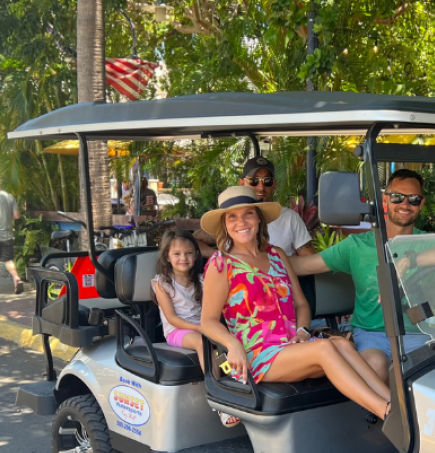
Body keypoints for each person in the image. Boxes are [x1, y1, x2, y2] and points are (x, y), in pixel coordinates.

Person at [200, 186, 391, 421]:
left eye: (248, 213)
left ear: (259, 219)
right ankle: (387, 413)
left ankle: (396, 406)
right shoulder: (222, 264)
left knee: (342, 345)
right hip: (257, 354)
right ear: (225, 225)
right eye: (232, 217)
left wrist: (302, 330)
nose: (241, 222)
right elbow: (208, 321)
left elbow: (301, 304)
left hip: (292, 345)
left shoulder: (277, 255)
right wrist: (232, 344)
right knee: (324, 347)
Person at [290, 168, 435, 382]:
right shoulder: (358, 245)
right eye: (397, 197)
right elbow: (303, 266)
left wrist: (410, 260)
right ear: (385, 200)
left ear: (421, 204)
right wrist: (254, 258)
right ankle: (386, 414)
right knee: (375, 366)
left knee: (421, 375)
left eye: (413, 199)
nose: (405, 204)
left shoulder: (429, 243)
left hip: (419, 333)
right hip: (372, 334)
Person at [197, 156, 317, 258]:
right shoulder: (230, 223)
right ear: (242, 183)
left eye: (267, 181)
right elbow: (190, 241)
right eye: (254, 181)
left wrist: (278, 266)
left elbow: (309, 259)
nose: (261, 187)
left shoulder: (289, 218)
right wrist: (224, 258)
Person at [152, 230, 206, 367]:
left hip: (202, 327)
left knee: (224, 342)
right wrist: (199, 328)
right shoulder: (162, 283)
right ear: (167, 257)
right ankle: (214, 383)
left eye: (188, 253)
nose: (183, 258)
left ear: (196, 255)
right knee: (202, 342)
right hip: (176, 331)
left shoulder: (202, 280)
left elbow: (208, 311)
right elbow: (171, 318)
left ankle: (229, 376)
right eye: (177, 254)